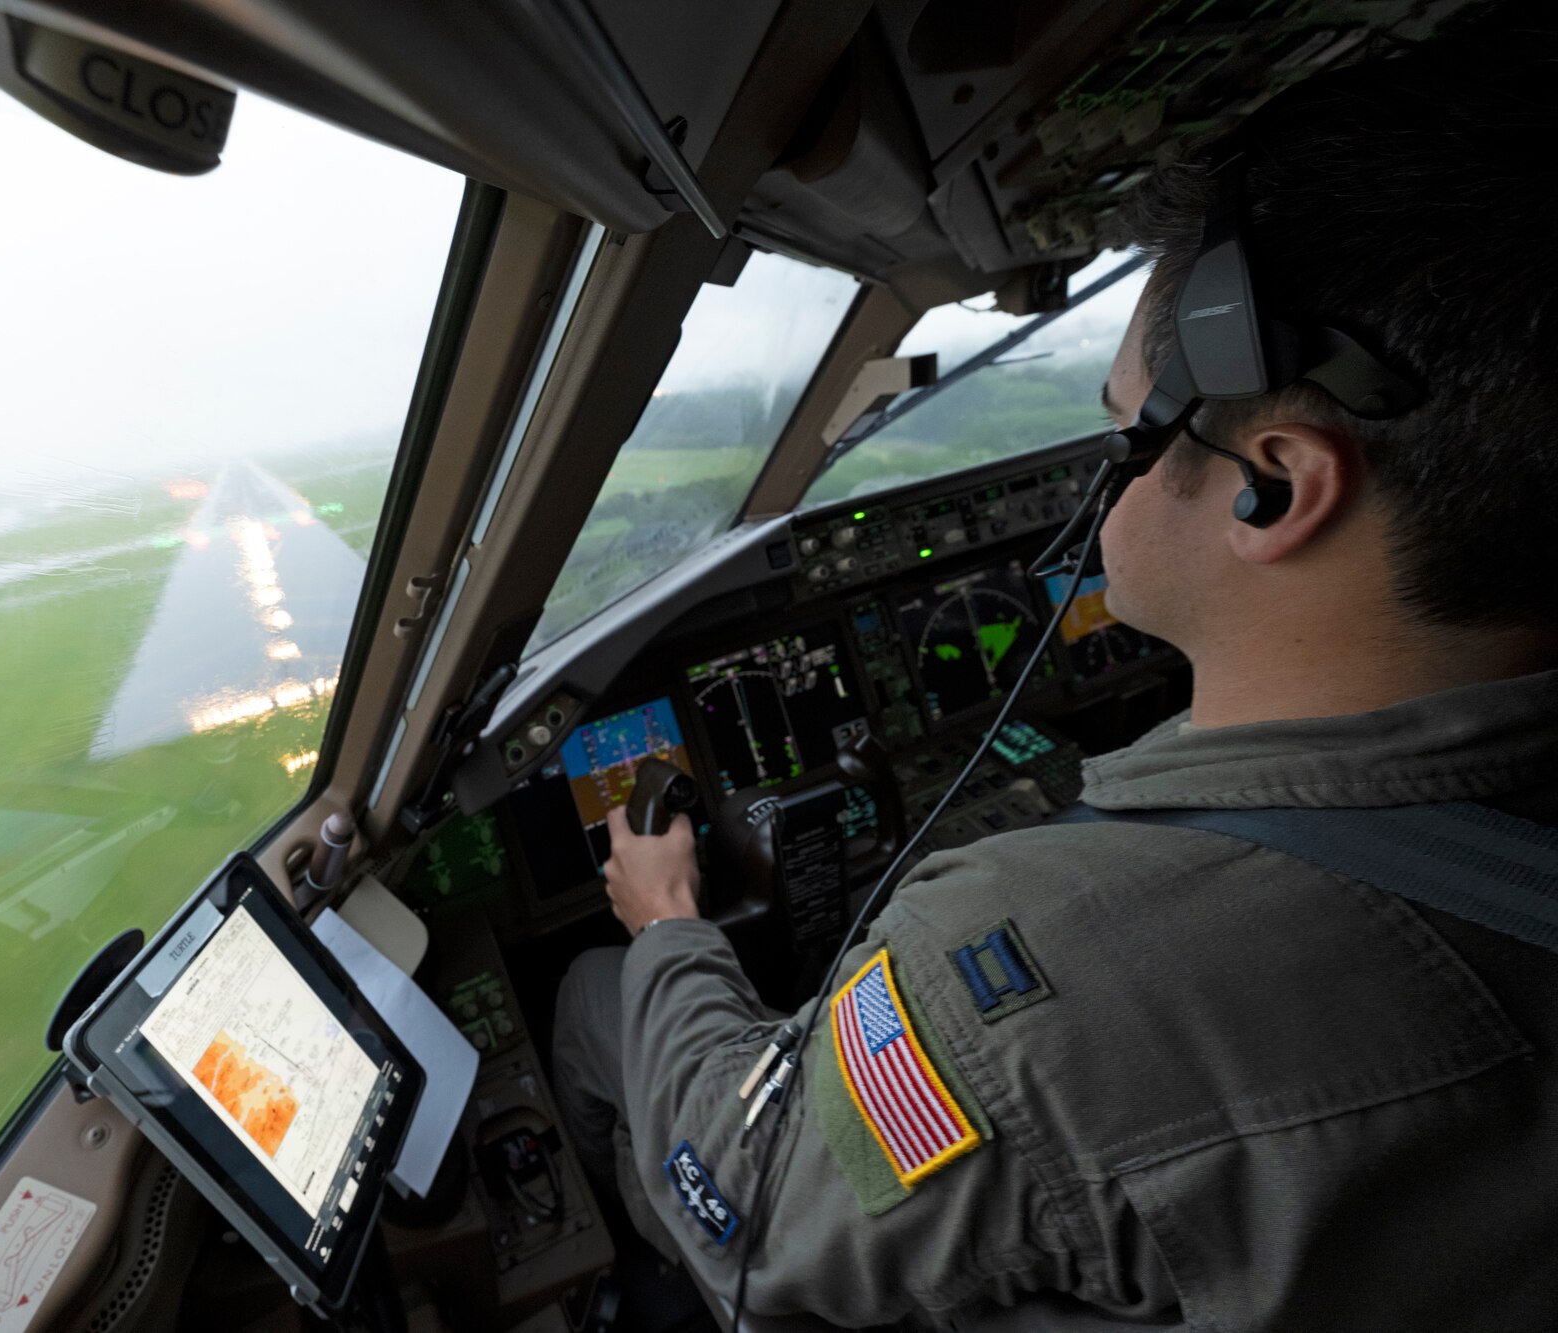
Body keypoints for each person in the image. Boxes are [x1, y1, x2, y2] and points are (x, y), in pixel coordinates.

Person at [551, 8, 1558, 1329]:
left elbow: (738, 1207)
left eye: (1125, 435)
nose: (1100, 489)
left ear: (1278, 487)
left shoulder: (1031, 969)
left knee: (593, 994)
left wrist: (671, 921)